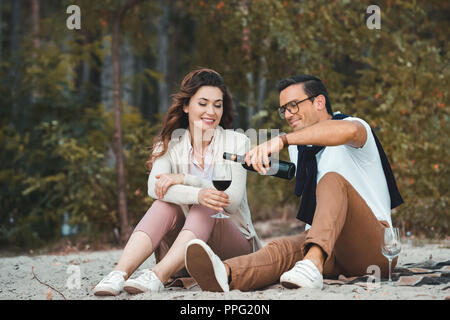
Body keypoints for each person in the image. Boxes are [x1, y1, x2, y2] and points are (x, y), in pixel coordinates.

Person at [184, 74, 403, 292]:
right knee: (281, 248)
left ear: (319, 102)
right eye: (284, 109)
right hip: (330, 247)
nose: (288, 114)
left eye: (293, 106)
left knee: (331, 180)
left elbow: (347, 132)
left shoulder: (352, 126)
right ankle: (225, 273)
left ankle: (312, 264)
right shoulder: (299, 149)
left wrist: (282, 139)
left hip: (374, 249)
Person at [93, 68, 262, 296]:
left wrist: (187, 180)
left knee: (207, 204)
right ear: (186, 106)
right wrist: (196, 194)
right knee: (164, 203)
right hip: (181, 253)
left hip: (232, 249)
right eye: (203, 103)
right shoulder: (168, 145)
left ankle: (156, 275)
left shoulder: (237, 142)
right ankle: (119, 274)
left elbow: (231, 202)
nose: (211, 111)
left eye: (217, 104)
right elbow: (154, 188)